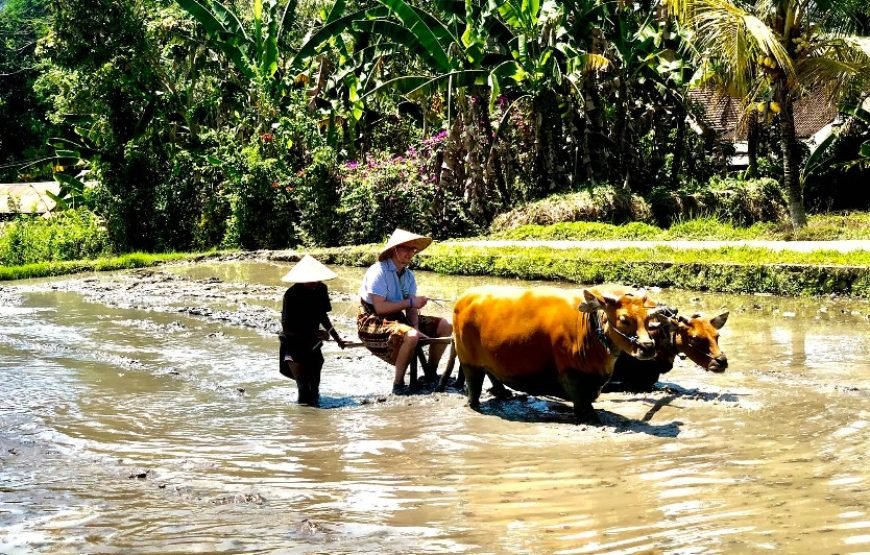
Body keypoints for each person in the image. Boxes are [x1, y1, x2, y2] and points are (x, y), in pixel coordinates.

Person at [357, 228, 453, 395]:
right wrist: (410, 303)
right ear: (395, 249)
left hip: (398, 317)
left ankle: (431, 372)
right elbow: (380, 308)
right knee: (411, 336)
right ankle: (398, 384)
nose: (410, 253)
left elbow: (411, 308)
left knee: (445, 325)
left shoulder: (408, 275)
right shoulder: (378, 271)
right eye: (406, 249)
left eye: (413, 250)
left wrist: (415, 324)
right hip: (373, 320)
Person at [279, 255, 346, 406]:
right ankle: (304, 424)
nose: (314, 282)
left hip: (313, 345)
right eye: (310, 279)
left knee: (314, 390)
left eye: (317, 279)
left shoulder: (321, 289)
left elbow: (322, 315)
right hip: (294, 346)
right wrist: (315, 333)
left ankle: (315, 420)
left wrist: (337, 338)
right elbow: (287, 328)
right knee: (303, 391)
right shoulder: (291, 296)